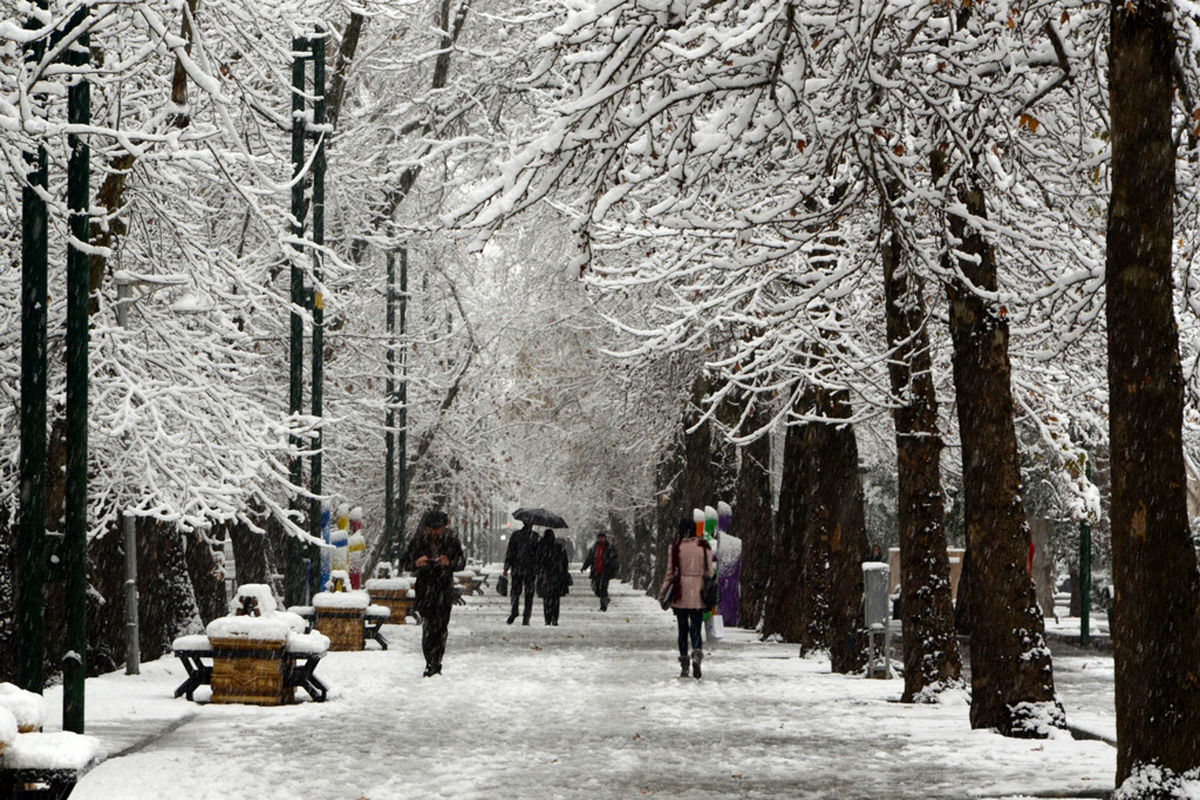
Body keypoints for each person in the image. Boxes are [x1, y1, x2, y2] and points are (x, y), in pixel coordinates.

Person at [400, 510, 466, 676]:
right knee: (429, 625)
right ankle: (430, 661)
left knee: (441, 626)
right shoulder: (418, 541)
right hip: (425, 588)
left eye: (438, 529)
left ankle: (437, 662)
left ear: (444, 528)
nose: (434, 533)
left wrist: (448, 562)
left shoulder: (451, 541)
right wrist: (417, 562)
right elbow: (405, 562)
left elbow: (461, 562)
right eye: (431, 529)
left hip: (443, 587)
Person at [661, 517, 714, 679]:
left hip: (681, 592)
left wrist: (663, 593)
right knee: (696, 628)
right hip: (698, 592)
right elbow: (709, 572)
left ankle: (684, 663)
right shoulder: (704, 546)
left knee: (682, 629)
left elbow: (670, 572)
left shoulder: (676, 547)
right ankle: (697, 654)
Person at [503, 520, 538, 625]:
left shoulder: (516, 535)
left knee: (515, 591)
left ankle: (514, 611)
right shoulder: (535, 537)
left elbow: (510, 552)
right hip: (530, 570)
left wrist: (506, 567)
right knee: (529, 593)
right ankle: (526, 617)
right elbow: (539, 555)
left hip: (517, 568)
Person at [535, 529, 570, 625]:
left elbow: (537, 561)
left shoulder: (540, 547)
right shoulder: (558, 547)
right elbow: (564, 562)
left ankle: (547, 618)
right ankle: (555, 617)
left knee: (546, 598)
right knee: (555, 598)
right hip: (556, 576)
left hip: (545, 575)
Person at [582, 532, 619, 611]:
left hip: (605, 571)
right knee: (596, 588)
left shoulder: (609, 547)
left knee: (603, 588)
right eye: (599, 538)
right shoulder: (594, 547)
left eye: (602, 538)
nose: (601, 539)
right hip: (596, 571)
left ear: (605, 538)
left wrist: (611, 566)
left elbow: (614, 559)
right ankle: (605, 599)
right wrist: (585, 566)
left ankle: (603, 606)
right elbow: (590, 558)